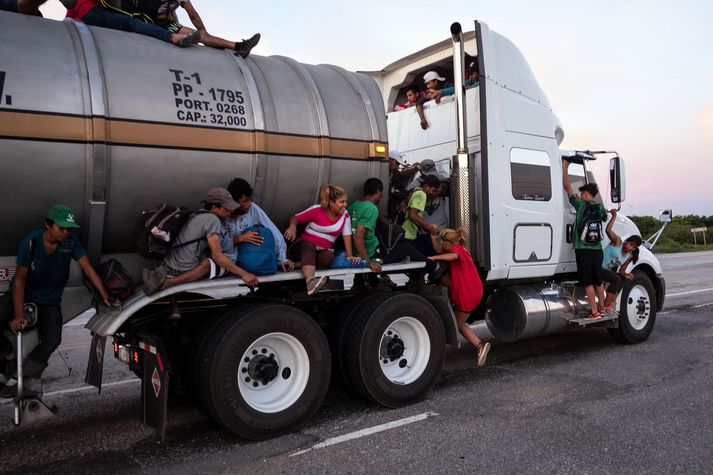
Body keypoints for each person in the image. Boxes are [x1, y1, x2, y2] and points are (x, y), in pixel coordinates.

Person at [0, 205, 113, 397]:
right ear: (47, 225)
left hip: (49, 300)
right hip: (23, 292)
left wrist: (104, 295)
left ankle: (21, 374)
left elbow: (87, 268)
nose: (66, 232)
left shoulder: (70, 242)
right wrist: (18, 315)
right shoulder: (31, 242)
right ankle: (6, 354)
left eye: (69, 229)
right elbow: (19, 280)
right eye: (62, 228)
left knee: (53, 338)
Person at [141, 188, 258, 295]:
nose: (230, 212)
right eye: (227, 208)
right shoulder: (213, 221)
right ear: (214, 207)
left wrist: (240, 238)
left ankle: (162, 281)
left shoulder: (197, 214)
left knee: (205, 254)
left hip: (167, 263)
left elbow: (219, 244)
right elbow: (218, 256)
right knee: (211, 265)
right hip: (179, 270)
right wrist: (244, 274)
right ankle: (166, 284)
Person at [427, 227, 490, 367]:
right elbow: (441, 249)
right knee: (445, 280)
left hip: (468, 293)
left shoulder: (458, 252)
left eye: (442, 243)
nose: (441, 245)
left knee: (459, 324)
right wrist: (432, 233)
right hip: (474, 289)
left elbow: (452, 256)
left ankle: (480, 346)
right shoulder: (462, 248)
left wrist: (434, 258)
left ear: (448, 244)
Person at [284, 184, 359, 295]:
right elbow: (295, 218)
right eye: (341, 202)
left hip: (319, 252)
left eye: (346, 201)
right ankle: (310, 281)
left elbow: (346, 236)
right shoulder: (317, 210)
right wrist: (292, 227)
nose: (345, 205)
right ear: (331, 203)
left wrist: (350, 256)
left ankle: (295, 265)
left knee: (329, 257)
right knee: (309, 246)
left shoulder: (345, 216)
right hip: (301, 248)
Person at [562, 160, 608, 319]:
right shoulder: (599, 207)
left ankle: (594, 311)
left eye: (583, 193)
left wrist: (565, 168)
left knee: (587, 282)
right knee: (598, 280)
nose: (580, 195)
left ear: (586, 195)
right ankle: (602, 308)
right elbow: (605, 217)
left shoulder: (580, 204)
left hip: (583, 249)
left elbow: (567, 187)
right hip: (597, 249)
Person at [223, 177, 294, 271]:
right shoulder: (223, 214)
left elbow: (274, 233)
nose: (249, 204)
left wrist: (282, 259)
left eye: (250, 200)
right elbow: (217, 245)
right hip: (226, 262)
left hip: (248, 260)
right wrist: (240, 238)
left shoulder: (253, 209)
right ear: (234, 202)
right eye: (245, 201)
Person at [66, 0, 202, 47]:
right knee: (132, 23)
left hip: (77, 19)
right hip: (90, 13)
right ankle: (172, 37)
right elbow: (193, 15)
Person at [156, 0, 260, 57]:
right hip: (162, 23)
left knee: (198, 35)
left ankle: (239, 46)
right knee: (202, 35)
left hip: (158, 22)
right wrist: (205, 35)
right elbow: (193, 15)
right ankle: (238, 46)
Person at [601, 208, 643, 314]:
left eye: (634, 247)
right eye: (631, 244)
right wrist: (614, 216)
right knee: (616, 279)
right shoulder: (618, 242)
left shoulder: (629, 256)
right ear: (627, 241)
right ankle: (606, 306)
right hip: (599, 268)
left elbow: (621, 271)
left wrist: (627, 275)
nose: (631, 248)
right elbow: (608, 231)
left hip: (609, 272)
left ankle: (612, 303)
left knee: (622, 278)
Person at [403, 174, 442, 256]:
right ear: (427, 186)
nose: (433, 194)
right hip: (408, 234)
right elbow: (412, 216)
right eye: (433, 190)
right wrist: (430, 228)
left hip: (406, 232)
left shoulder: (415, 190)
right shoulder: (422, 194)